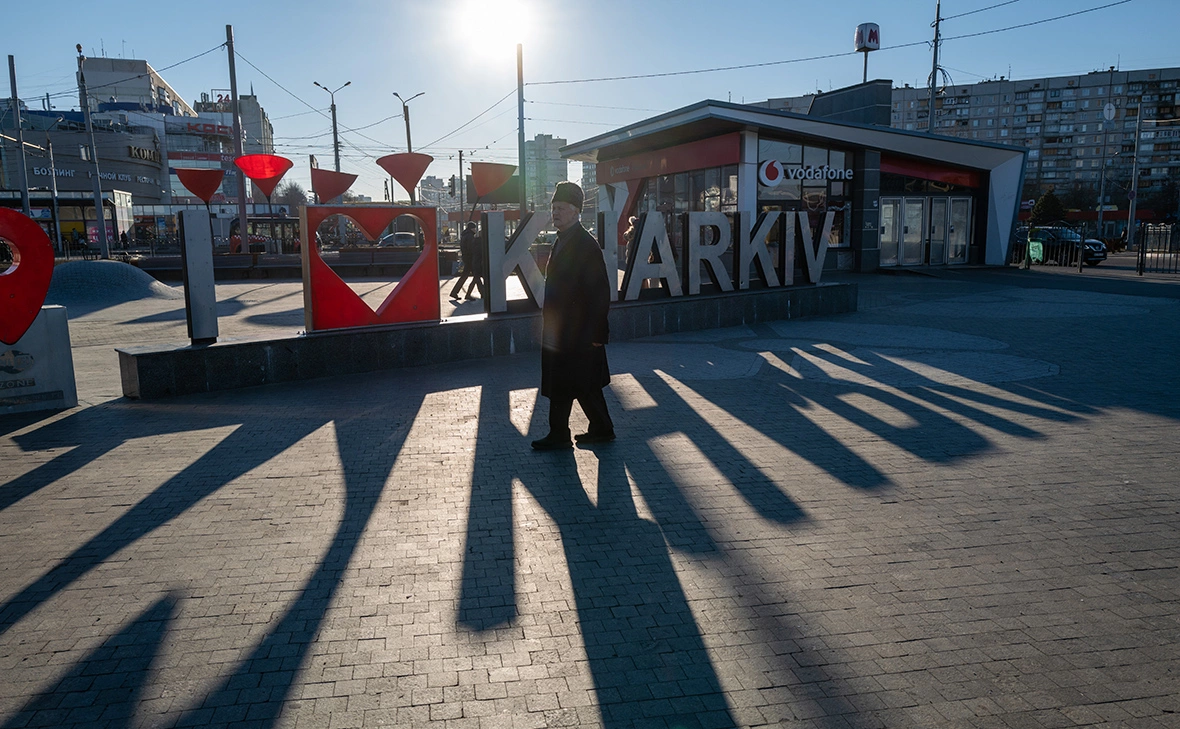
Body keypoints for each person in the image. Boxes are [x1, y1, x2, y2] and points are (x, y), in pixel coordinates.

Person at [532, 181, 615, 450]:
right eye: (553, 207)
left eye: (561, 208)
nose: (555, 212)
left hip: (579, 332)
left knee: (582, 382)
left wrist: (598, 333)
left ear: (576, 211)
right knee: (566, 382)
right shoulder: (563, 239)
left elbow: (600, 291)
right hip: (562, 330)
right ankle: (579, 430)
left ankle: (595, 429)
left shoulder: (585, 244)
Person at [450, 222, 484, 300]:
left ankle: (455, 292)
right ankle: (480, 293)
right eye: (474, 228)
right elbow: (471, 248)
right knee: (476, 276)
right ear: (472, 228)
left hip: (466, 258)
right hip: (470, 259)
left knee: (467, 276)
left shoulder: (464, 235)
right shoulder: (470, 236)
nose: (475, 230)